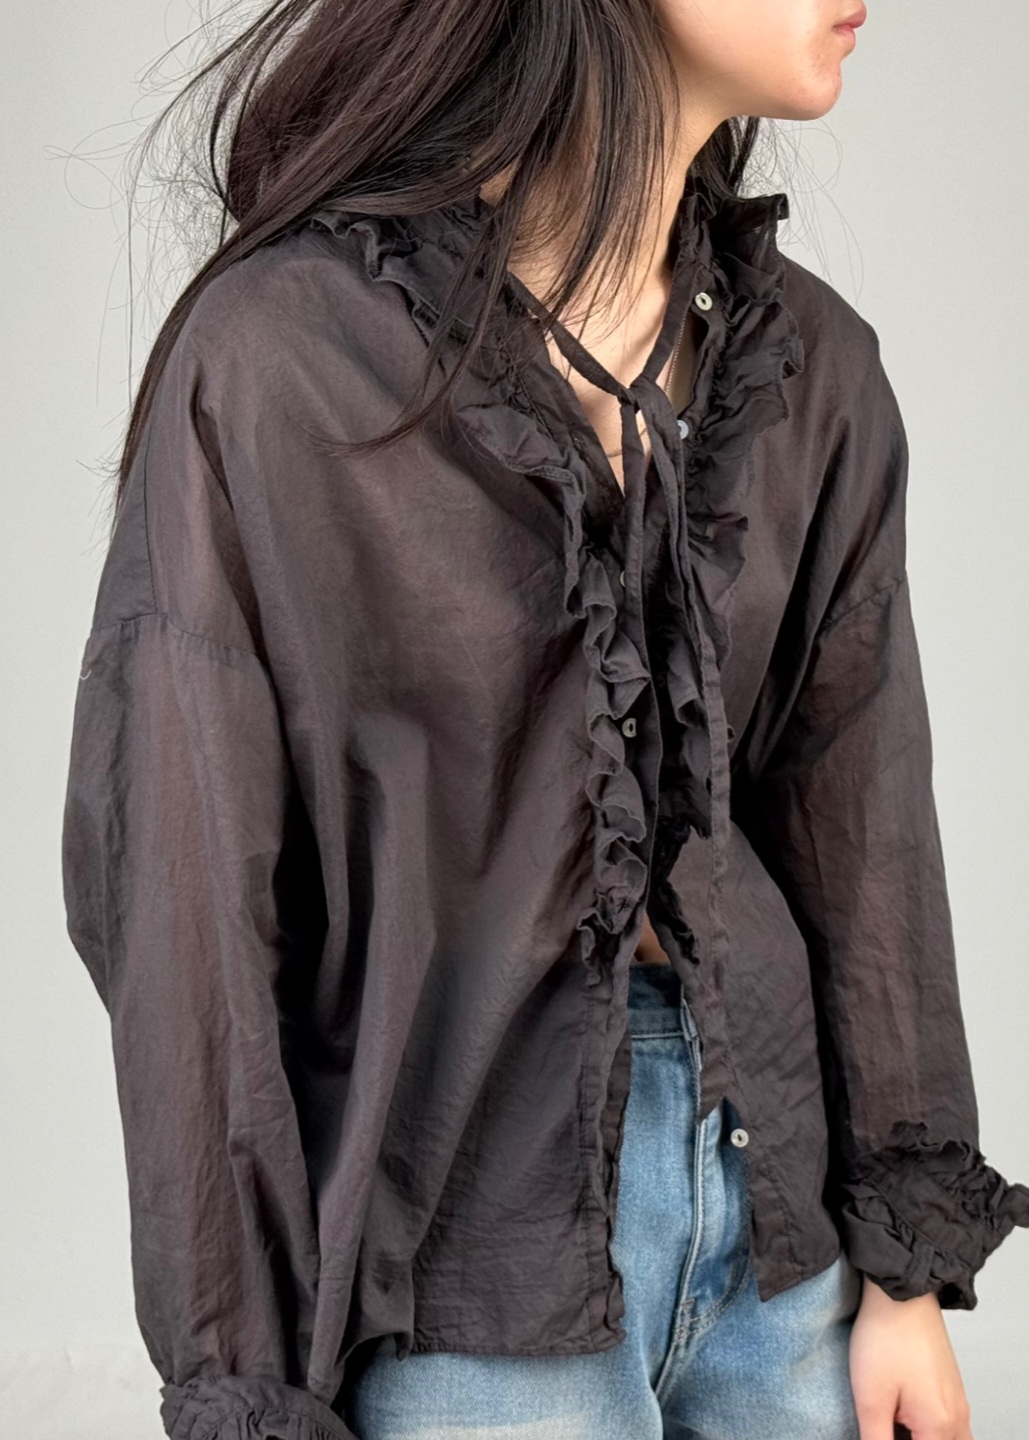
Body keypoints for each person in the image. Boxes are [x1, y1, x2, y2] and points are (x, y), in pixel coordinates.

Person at [60, 1, 1029, 1438]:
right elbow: (183, 895)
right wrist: (244, 1373)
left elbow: (861, 826)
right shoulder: (284, 358)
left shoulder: (811, 366)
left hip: (784, 1244)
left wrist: (904, 1273)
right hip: (469, 1259)